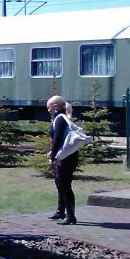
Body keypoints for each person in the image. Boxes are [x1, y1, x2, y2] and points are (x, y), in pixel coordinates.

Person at [46, 95, 78, 225]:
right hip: (67, 155)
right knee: (61, 184)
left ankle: (71, 216)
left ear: (54, 107)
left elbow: (58, 139)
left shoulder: (59, 119)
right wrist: (52, 152)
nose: (47, 110)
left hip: (65, 158)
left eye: (48, 107)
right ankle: (61, 211)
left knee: (64, 186)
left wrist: (53, 157)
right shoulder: (60, 118)